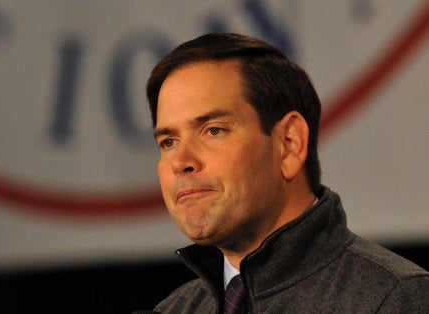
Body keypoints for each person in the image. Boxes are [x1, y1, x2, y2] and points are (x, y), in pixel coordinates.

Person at [139, 33, 428, 313]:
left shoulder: (395, 299)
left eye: (214, 130)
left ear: (289, 144)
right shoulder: (173, 309)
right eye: (168, 142)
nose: (180, 161)